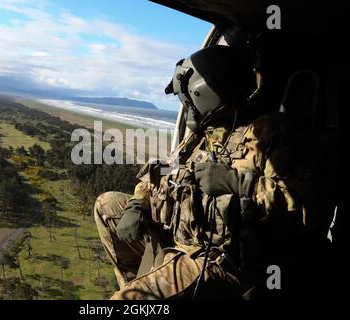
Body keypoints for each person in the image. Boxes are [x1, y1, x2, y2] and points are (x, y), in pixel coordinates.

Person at [94, 45, 313, 300]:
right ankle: (137, 285)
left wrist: (238, 184)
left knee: (126, 302)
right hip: (182, 238)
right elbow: (166, 171)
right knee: (107, 206)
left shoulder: (269, 134)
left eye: (187, 100)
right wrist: (138, 200)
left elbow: (306, 206)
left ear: (203, 96)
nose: (186, 107)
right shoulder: (203, 136)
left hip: (222, 262)